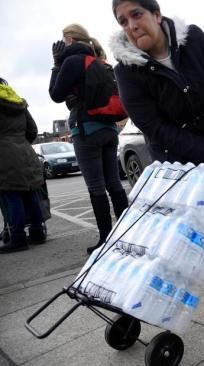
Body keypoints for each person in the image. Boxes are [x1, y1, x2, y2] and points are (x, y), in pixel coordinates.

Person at [111, 0, 204, 303]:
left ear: (156, 15)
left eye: (137, 14)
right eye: (123, 21)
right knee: (200, 217)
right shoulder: (126, 71)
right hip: (174, 153)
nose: (131, 25)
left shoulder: (193, 39)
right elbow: (155, 127)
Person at [49, 24, 129, 255]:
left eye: (63, 41)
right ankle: (126, 232)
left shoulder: (72, 62)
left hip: (86, 129)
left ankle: (105, 239)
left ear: (71, 41)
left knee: (96, 187)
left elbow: (55, 95)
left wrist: (56, 64)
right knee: (114, 183)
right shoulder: (99, 60)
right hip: (110, 129)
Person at [0, 77, 46, 253]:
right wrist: (19, 143)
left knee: (11, 195)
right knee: (29, 192)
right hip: (25, 152)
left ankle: (18, 238)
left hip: (4, 154)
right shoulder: (18, 102)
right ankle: (37, 232)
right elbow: (32, 130)